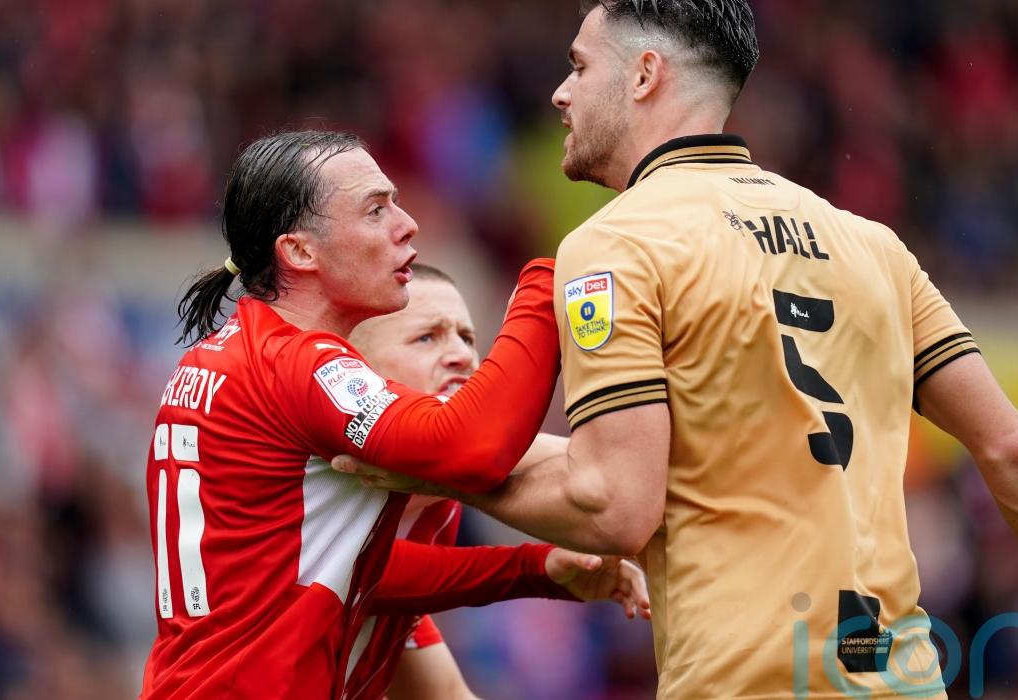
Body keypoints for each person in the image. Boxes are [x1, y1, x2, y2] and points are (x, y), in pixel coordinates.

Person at [337, 3, 1018, 698]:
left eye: (579, 66)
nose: (560, 94)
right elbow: (1014, 448)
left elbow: (613, 506)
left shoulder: (618, 244)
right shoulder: (874, 247)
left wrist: (433, 459)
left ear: (645, 74)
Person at [140, 130, 647, 699]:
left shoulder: (235, 354)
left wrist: (536, 567)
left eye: (466, 338)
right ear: (300, 252)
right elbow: (473, 449)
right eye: (376, 210)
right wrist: (548, 279)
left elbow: (365, 574)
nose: (407, 225)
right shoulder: (296, 363)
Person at [343, 264, 637, 700]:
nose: (462, 356)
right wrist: (538, 568)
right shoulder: (317, 472)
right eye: (426, 338)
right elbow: (367, 571)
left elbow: (446, 693)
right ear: (355, 372)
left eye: (467, 338)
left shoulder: (431, 507)